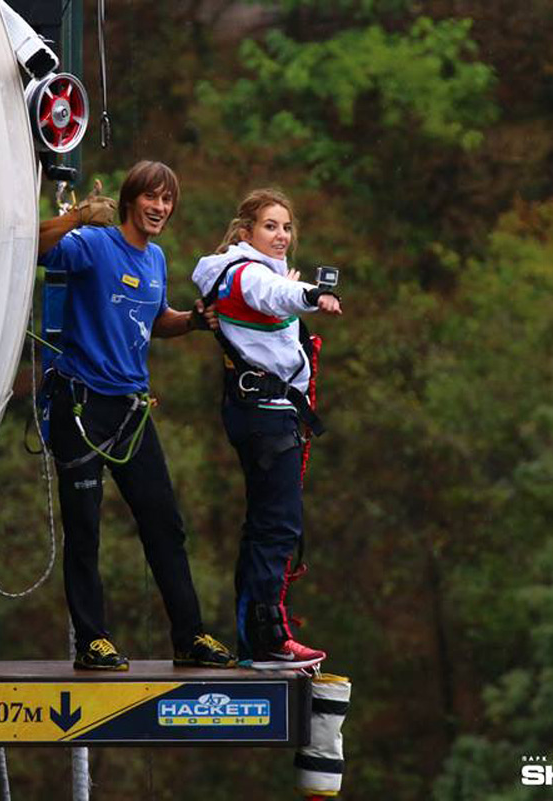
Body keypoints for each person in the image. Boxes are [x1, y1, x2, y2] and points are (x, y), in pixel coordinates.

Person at [38, 161, 236, 671]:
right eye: (152, 197)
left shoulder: (156, 259)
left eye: (167, 200)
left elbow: (157, 319)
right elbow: (35, 247)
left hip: (131, 410)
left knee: (164, 524)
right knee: (85, 529)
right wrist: (78, 217)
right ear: (130, 199)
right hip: (82, 405)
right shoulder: (94, 243)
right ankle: (93, 640)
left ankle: (189, 637)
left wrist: (192, 321)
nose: (160, 208)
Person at [191, 188, 342, 668]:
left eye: (287, 227)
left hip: (262, 412)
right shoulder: (248, 275)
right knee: (278, 525)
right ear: (245, 232)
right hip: (267, 414)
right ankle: (268, 638)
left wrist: (291, 287)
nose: (281, 236)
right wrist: (312, 295)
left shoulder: (246, 272)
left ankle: (255, 637)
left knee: (264, 526)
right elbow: (274, 293)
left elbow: (274, 294)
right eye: (270, 226)